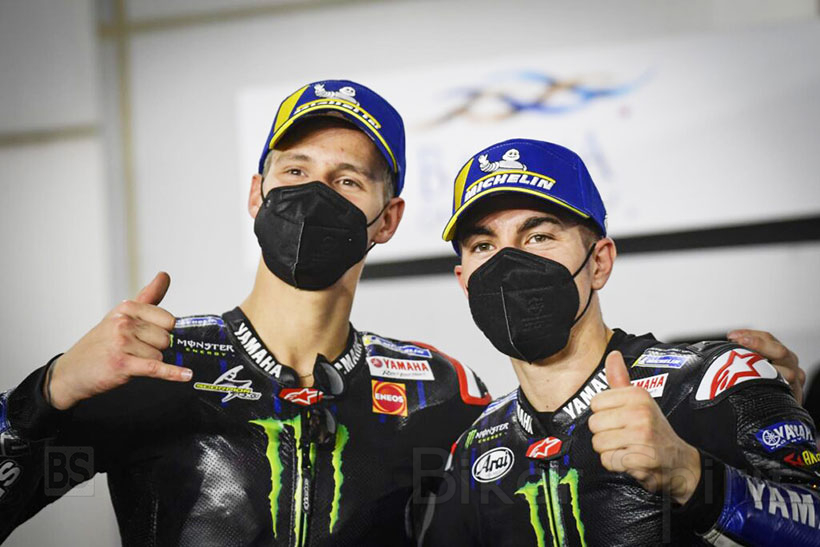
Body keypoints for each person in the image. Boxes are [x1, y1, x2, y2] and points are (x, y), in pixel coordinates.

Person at [0, 80, 492, 546]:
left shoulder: (437, 394)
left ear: (388, 220)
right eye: (295, 172)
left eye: (347, 180)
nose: (316, 194)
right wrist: (46, 393)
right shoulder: (149, 366)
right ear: (257, 194)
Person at [420, 138, 820, 545]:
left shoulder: (712, 381)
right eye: (483, 246)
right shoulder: (475, 446)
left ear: (599, 262)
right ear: (464, 282)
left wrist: (692, 475)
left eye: (539, 237)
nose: (507, 263)